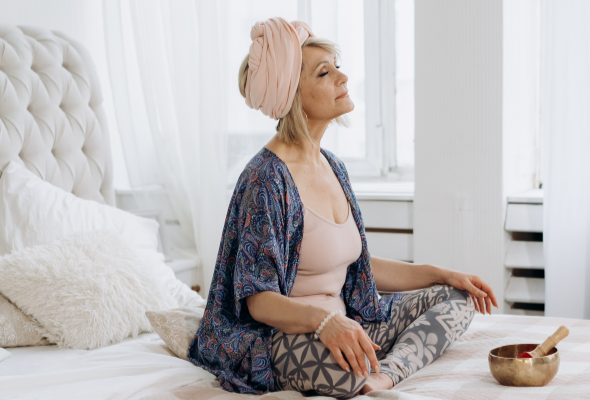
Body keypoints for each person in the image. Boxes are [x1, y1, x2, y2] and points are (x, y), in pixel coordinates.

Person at [189, 17, 499, 399]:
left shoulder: (332, 165)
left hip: (346, 321)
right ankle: (373, 368)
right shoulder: (265, 179)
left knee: (457, 299)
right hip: (283, 337)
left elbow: (357, 267)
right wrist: (326, 323)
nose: (343, 78)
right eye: (325, 72)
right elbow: (259, 301)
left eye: (337, 67)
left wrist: (441, 273)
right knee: (346, 373)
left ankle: (387, 372)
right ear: (292, 93)